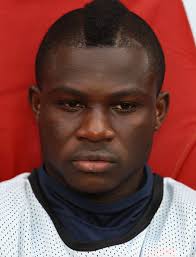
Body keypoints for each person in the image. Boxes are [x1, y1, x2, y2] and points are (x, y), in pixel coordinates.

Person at [0, 0, 195, 256]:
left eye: (124, 106)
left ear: (158, 111)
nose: (95, 131)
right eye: (71, 104)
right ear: (38, 105)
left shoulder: (190, 226)